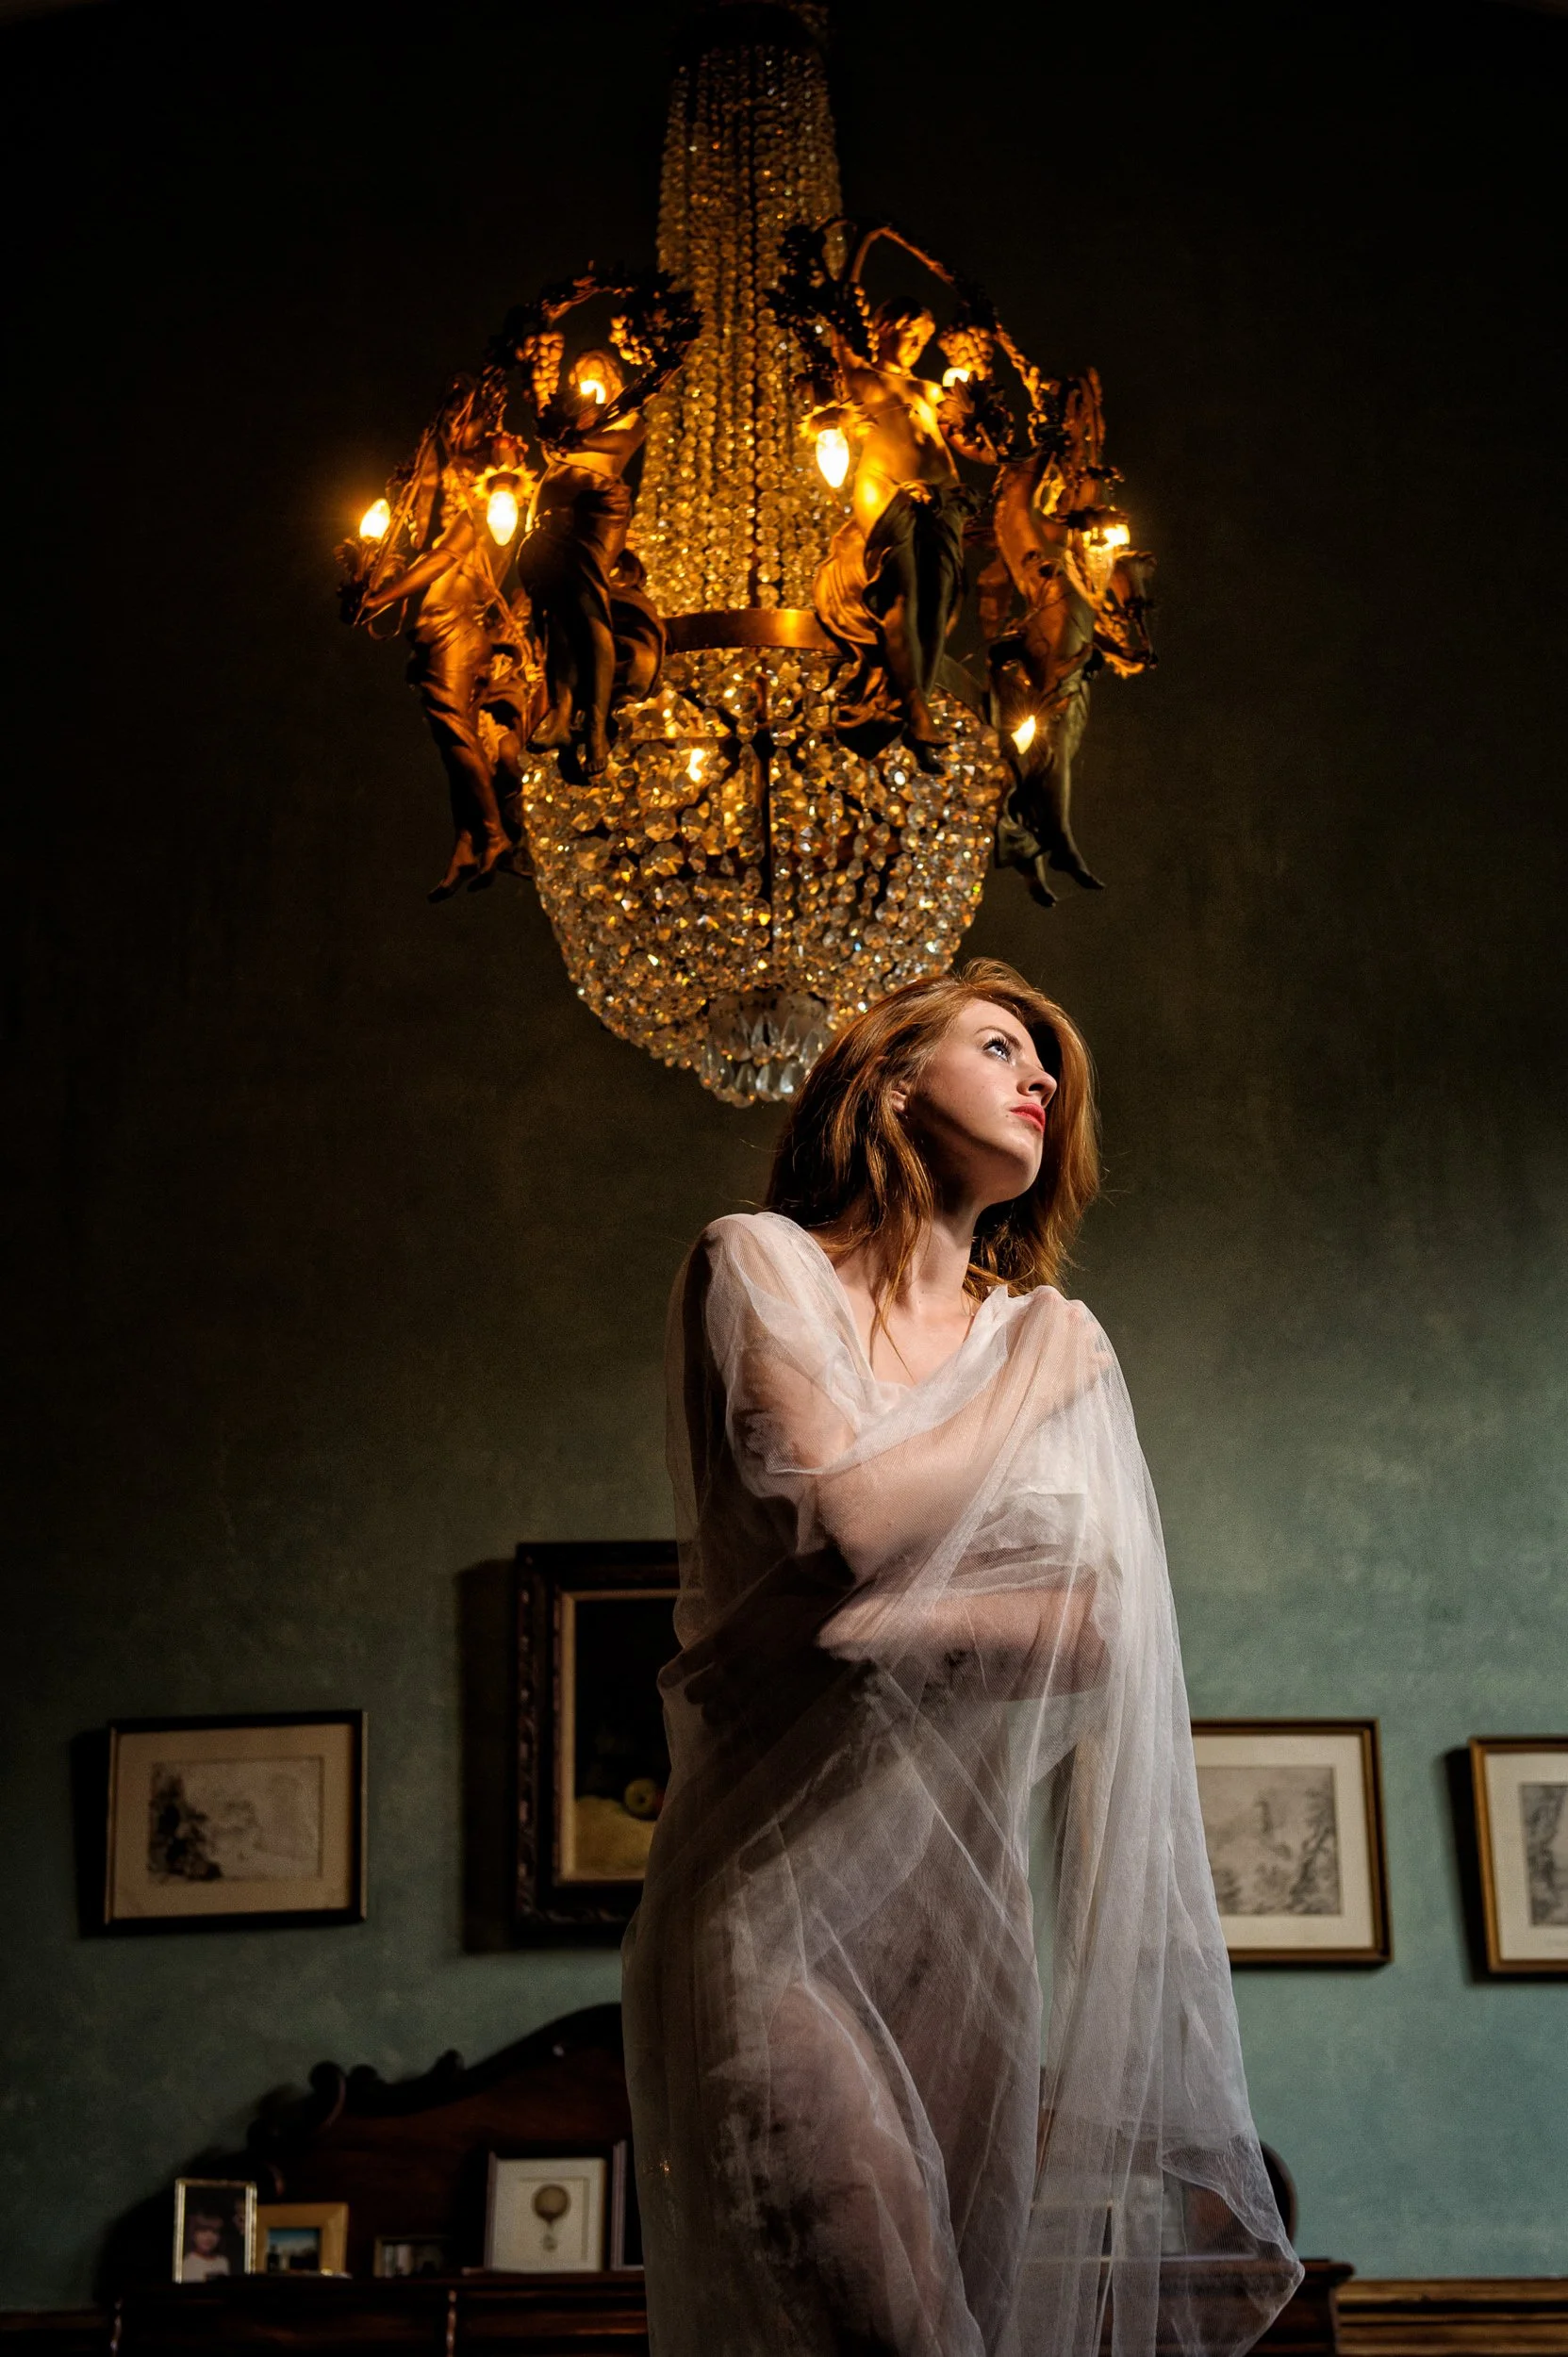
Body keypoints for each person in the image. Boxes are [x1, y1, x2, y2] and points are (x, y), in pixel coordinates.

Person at [622, 958, 1302, 2357]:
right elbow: (860, 1519)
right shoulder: (755, 1260)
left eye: (1045, 1064)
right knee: (893, 2327)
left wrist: (863, 1623)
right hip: (771, 1901)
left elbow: (1091, 1629)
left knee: (965, 2325)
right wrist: (1028, 1388)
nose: (1037, 1078)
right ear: (884, 1081)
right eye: (997, 1046)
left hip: (961, 1929)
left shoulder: (1038, 1329)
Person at [811, 302, 996, 767]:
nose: (915, 346)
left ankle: (916, 702)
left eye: (922, 340)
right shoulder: (866, 379)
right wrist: (847, 284)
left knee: (939, 600)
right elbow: (840, 341)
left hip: (944, 496)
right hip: (885, 486)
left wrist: (986, 416)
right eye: (908, 334)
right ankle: (913, 704)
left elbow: (982, 448)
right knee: (904, 592)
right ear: (884, 330)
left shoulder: (934, 391)